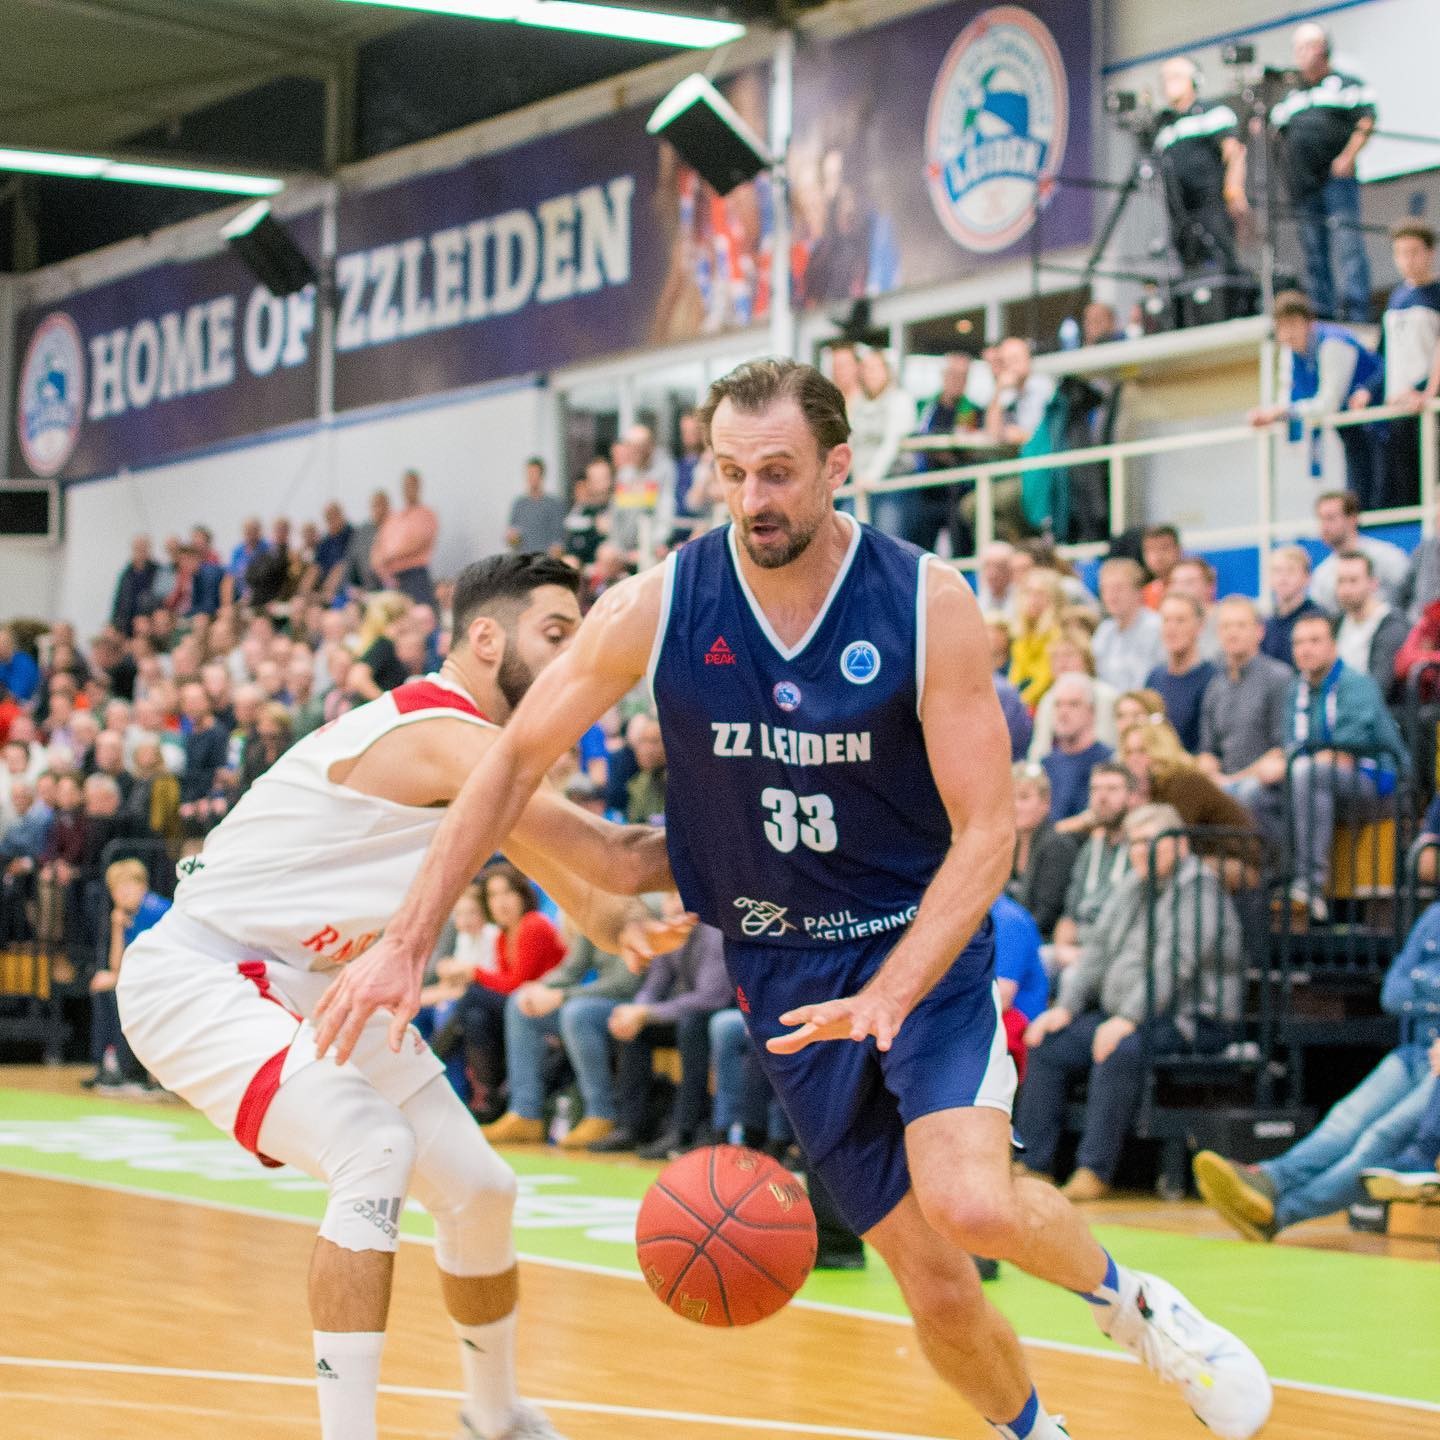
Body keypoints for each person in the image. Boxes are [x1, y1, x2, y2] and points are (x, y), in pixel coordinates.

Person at [318, 358, 1272, 1440]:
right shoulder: (660, 603)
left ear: (837, 465)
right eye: (732, 474)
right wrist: (408, 940)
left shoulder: (926, 602)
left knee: (969, 1201)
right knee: (932, 1282)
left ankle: (1141, 1312)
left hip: (915, 944)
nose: (753, 499)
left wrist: (893, 989)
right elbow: (508, 763)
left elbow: (988, 833)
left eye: (777, 472)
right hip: (780, 969)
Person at [117, 554, 684, 1440]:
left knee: (481, 1192)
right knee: (371, 1147)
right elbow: (614, 856)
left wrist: (631, 927)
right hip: (204, 974)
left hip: (313, 982)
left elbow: (593, 893)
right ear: (485, 639)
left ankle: (494, 1417)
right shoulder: (440, 733)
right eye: (556, 635)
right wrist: (777, 832)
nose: (574, 658)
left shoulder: (488, 760)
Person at [1018, 803, 1241, 1201]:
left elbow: (1176, 964)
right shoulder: (1132, 886)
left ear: (1179, 845)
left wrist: (1128, 1019)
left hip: (1193, 1018)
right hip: (1127, 1014)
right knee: (1048, 1043)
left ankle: (1094, 1170)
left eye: (1149, 842)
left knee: (1119, 1049)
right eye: (1134, 843)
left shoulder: (1200, 890)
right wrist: (1065, 1007)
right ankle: (1034, 1164)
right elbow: (1095, 952)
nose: (1139, 851)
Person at [1195, 899, 1440, 1240]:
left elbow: (1408, 987)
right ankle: (1269, 1179)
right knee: (1344, 1120)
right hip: (1415, 1053)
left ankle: (1281, 1214)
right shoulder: (1434, 916)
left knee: (1380, 1138)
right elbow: (1392, 993)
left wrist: (1423, 982)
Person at [1253, 612, 1409, 918]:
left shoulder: (1356, 685)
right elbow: (1293, 746)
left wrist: (1288, 764)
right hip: (1324, 780)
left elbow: (1343, 754)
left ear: (1333, 646)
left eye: (1315, 641)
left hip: (1378, 781)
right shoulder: (1295, 690)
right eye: (1299, 643)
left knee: (1307, 773)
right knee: (1258, 794)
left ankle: (1309, 886)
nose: (1306, 649)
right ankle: (1274, 882)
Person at [592, 904, 730, 1156]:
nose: (675, 905)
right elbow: (654, 985)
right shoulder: (667, 933)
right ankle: (632, 1126)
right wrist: (636, 1012)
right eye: (669, 897)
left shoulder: (713, 932)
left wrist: (647, 1013)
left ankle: (684, 1129)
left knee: (692, 1027)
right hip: (682, 1012)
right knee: (635, 1032)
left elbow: (711, 997)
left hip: (717, 1011)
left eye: (679, 896)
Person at [1269, 21, 1376, 323]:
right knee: (1314, 252)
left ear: (1324, 48)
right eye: (1297, 48)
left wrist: (1347, 157)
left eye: (1308, 46)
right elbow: (1276, 132)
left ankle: (1357, 313)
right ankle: (1324, 314)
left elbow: (1366, 121)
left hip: (1336, 180)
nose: (1301, 54)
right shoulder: (1291, 96)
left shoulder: (1346, 84)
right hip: (1303, 186)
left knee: (1348, 245)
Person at [1252, 291, 1385, 506]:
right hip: (1352, 426)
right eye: (1282, 326)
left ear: (1308, 322)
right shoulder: (1292, 354)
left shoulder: (1333, 343)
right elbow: (1287, 396)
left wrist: (1283, 412)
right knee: (1358, 497)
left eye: (1293, 324)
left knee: (1381, 494)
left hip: (1381, 424)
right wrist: (1271, 414)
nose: (1288, 333)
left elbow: (1328, 403)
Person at [1153, 57, 1247, 284]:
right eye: (1165, 78)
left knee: (1223, 261)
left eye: (1176, 76)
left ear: (1194, 80)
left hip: (1212, 204)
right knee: (1188, 268)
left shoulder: (1213, 112)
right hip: (1180, 211)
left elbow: (1234, 152)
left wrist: (1234, 189)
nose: (1169, 83)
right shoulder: (1164, 126)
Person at [86, 857, 170, 1095]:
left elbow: (158, 964)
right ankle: (109, 1063)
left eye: (126, 886)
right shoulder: (129, 915)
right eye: (115, 889)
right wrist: (117, 927)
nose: (120, 894)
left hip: (166, 981)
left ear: (142, 886)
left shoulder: (155, 911)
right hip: (146, 980)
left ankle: (127, 1069)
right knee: (104, 987)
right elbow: (116, 966)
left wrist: (116, 978)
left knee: (115, 989)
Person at [1198, 597, 1294, 800]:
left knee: (1246, 793)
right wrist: (1209, 770)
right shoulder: (1215, 685)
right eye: (1226, 626)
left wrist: (1233, 781)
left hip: (1266, 787)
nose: (1232, 633)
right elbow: (1208, 750)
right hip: (1224, 783)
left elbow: (1282, 750)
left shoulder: (1279, 678)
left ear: (1260, 631)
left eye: (1241, 625)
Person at [1045, 762, 1135, 977]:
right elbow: (1069, 914)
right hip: (1080, 948)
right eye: (1095, 789)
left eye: (1112, 789)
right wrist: (1062, 949)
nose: (1102, 797)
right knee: (1038, 959)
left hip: (1117, 950)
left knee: (1071, 976)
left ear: (1132, 796)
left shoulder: (1140, 847)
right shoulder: (1090, 847)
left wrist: (1088, 956)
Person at [1375, 223, 1440, 507]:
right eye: (1400, 253)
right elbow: (1385, 355)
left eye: (1414, 252)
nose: (1407, 260)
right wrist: (1368, 390)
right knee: (1403, 490)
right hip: (1398, 407)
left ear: (1430, 253)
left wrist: (1425, 391)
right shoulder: (1395, 299)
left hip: (1426, 406)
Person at [1007, 763, 1078, 940]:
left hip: (1041, 939)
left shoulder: (1057, 845)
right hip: (1013, 935)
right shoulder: (1010, 844)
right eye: (1010, 798)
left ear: (1045, 802)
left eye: (1024, 797)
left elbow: (1045, 917)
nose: (1015, 806)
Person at [1309, 490, 1408, 614]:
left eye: (1330, 518)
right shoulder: (1321, 575)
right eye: (1320, 519)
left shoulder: (1388, 557)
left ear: (1352, 519)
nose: (1324, 526)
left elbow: (1410, 596)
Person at [1144, 594, 1216, 752]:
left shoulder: (1213, 678)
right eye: (1166, 620)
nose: (1171, 629)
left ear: (1199, 626)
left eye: (1180, 620)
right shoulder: (1154, 677)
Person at [1333, 550, 1407, 700]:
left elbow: (1380, 688)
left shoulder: (1392, 627)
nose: (1346, 589)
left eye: (1353, 580)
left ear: (1373, 583)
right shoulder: (1335, 624)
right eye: (1341, 581)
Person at [1041, 675, 1113, 824]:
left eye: (1073, 704)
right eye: (1058, 705)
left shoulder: (1108, 762)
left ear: (1091, 712)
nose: (1063, 712)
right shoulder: (1046, 764)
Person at [1092, 558, 1164, 694]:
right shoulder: (1104, 630)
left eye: (1118, 588)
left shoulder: (1157, 626)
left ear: (1138, 591)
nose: (1111, 595)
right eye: (1105, 589)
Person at [371, 469, 439, 606]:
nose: (409, 489)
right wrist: (383, 572)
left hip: (415, 577)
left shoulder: (426, 514)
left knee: (421, 615)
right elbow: (377, 549)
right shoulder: (393, 519)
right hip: (391, 580)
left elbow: (418, 542)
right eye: (406, 485)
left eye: (412, 485)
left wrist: (389, 556)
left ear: (418, 487)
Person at [611, 424, 677, 562]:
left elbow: (666, 510)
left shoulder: (664, 470)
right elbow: (617, 513)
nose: (632, 453)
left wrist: (652, 545)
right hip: (624, 548)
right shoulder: (624, 474)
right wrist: (617, 548)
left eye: (638, 448)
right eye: (630, 447)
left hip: (652, 546)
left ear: (649, 447)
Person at [1261, 544, 1326, 664]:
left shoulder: (1319, 620)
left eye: (1291, 571)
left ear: (1307, 577)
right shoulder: (1265, 624)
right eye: (1277, 571)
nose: (1283, 578)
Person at [1007, 569, 1064, 708]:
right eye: (1028, 592)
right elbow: (1015, 677)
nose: (1032, 599)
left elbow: (1044, 680)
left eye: (1040, 594)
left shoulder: (1058, 634)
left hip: (1048, 703)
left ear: (1054, 598)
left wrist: (1018, 705)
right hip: (1025, 704)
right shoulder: (1022, 635)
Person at [507, 458, 567, 556]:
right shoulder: (519, 504)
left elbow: (558, 541)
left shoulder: (554, 504)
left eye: (534, 473)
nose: (531, 477)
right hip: (523, 559)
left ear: (542, 475)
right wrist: (512, 538)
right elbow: (512, 540)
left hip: (544, 559)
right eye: (529, 474)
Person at [563, 457, 613, 568]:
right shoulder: (581, 512)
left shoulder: (617, 508)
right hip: (585, 566)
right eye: (595, 479)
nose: (601, 484)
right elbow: (572, 546)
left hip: (613, 565)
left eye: (604, 478)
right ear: (588, 483)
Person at [111, 537, 159, 636]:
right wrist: (114, 623)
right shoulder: (126, 574)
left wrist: (146, 618)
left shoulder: (157, 571)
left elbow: (160, 598)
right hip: (126, 623)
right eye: (137, 548)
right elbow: (119, 601)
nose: (140, 552)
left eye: (143, 548)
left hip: (148, 621)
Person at [345, 491, 389, 595]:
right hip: (364, 590)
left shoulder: (396, 529)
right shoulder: (362, 533)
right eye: (376, 505)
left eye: (382, 505)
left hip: (389, 590)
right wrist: (353, 588)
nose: (379, 509)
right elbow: (351, 563)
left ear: (388, 507)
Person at [1139, 526, 1182, 609]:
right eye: (1151, 549)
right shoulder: (1144, 593)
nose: (1157, 555)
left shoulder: (1190, 587)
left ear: (1178, 550)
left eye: (1164, 548)